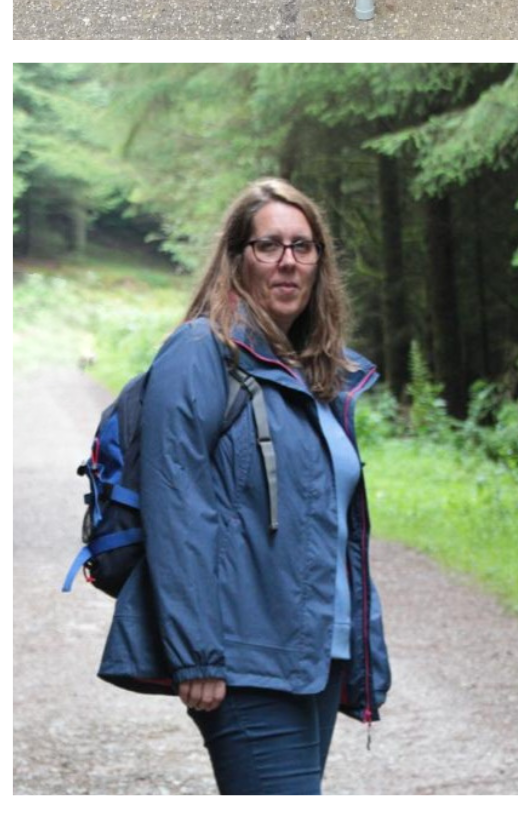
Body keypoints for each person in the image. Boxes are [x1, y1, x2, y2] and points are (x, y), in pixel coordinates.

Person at [98, 178, 388, 794]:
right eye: (269, 245)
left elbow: (333, 532)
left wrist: (360, 655)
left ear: (320, 262)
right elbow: (179, 512)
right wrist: (196, 653)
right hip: (244, 653)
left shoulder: (316, 379)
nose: (288, 260)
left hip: (314, 653)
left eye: (303, 246)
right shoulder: (200, 353)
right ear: (237, 258)